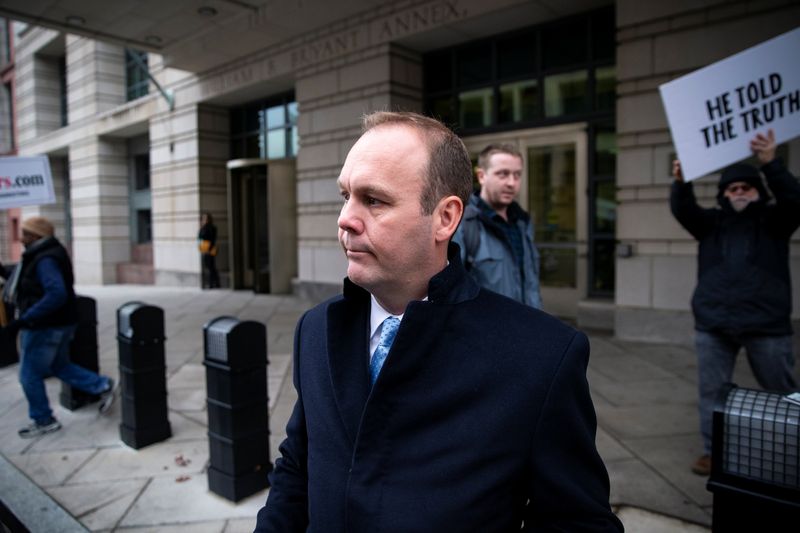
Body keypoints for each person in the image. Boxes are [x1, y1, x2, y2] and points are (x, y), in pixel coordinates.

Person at [254, 112, 622, 532]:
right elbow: (297, 467)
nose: (346, 219)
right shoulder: (315, 330)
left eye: (374, 200)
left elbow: (578, 522)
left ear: (445, 219)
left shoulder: (541, 359)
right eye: (346, 196)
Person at [670, 129, 800, 476]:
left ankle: (794, 446)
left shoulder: (775, 221)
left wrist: (771, 164)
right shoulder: (711, 223)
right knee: (712, 394)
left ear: (758, 192)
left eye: (747, 187)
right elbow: (683, 208)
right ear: (724, 195)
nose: (740, 192)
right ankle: (714, 452)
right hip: (714, 325)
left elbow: (796, 200)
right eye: (733, 188)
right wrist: (682, 181)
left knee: (783, 392)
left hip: (767, 326)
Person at [0, 216, 115, 438]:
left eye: (24, 234)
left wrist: (25, 319)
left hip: (45, 326)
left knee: (29, 374)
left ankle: (43, 419)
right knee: (59, 365)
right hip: (58, 323)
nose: (21, 238)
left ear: (35, 236)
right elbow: (26, 283)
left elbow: (56, 293)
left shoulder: (45, 259)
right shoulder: (41, 254)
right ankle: (102, 385)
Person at [452, 143, 542, 308]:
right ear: (481, 176)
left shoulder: (523, 223)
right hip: (486, 331)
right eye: (503, 174)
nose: (511, 183)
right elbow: (452, 291)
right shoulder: (463, 224)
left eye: (517, 175)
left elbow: (531, 284)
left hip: (528, 326)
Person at [198, 212, 220, 289]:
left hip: (210, 249)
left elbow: (212, 239)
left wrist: (209, 249)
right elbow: (199, 238)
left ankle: (213, 283)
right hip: (204, 248)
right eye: (203, 219)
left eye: (206, 219)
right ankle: (215, 282)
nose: (205, 220)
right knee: (208, 266)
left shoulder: (212, 228)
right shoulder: (202, 228)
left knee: (211, 266)